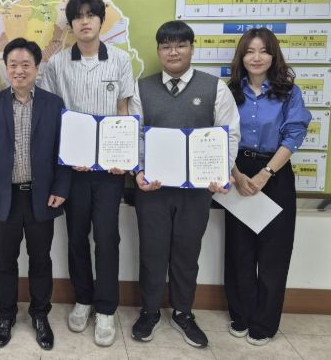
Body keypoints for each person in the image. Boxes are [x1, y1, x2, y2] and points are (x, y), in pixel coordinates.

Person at [132, 20, 240, 349]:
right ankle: (149, 311)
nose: (173, 52)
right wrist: (139, 170)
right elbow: (136, 134)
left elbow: (229, 133)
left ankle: (183, 312)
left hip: (196, 192)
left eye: (180, 45)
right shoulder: (141, 88)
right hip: (153, 190)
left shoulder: (215, 88)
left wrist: (222, 172)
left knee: (186, 252)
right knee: (151, 253)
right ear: (158, 51)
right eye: (166, 46)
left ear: (192, 48)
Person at [40, 0, 135, 347]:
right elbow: (51, 113)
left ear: (100, 20)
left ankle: (106, 309)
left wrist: (124, 158)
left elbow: (124, 109)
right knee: (77, 237)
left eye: (90, 15)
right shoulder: (57, 63)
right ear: (71, 24)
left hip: (109, 171)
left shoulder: (120, 60)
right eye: (77, 16)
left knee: (107, 238)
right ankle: (83, 299)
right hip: (72, 168)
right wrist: (66, 155)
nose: (84, 21)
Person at [0, 38, 71, 350]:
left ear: (37, 68)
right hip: (5, 197)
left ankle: (40, 315)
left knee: (41, 259)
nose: (19, 70)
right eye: (13, 65)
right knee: (5, 260)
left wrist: (61, 188)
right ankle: (6, 316)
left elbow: (64, 150)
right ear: (6, 68)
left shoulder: (53, 104)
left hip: (42, 196)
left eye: (26, 64)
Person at [225, 28, 311, 346]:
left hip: (276, 172)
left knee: (274, 251)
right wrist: (236, 174)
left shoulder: (289, 92)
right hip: (238, 170)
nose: (256, 57)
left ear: (273, 56)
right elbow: (221, 135)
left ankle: (264, 322)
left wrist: (265, 174)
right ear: (242, 57)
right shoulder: (229, 92)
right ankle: (241, 315)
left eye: (263, 51)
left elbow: (294, 135)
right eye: (249, 51)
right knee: (239, 249)